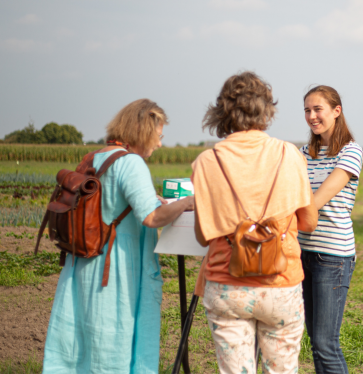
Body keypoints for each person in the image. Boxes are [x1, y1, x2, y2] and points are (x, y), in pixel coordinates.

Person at [42, 99, 194, 374]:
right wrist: (185, 203)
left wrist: (154, 200)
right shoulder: (131, 163)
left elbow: (113, 203)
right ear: (143, 130)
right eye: (158, 136)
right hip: (115, 268)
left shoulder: (95, 156)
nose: (159, 144)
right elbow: (151, 218)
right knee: (112, 338)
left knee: (82, 339)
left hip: (85, 260)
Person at [191, 72, 318, 374]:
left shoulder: (207, 161)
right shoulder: (290, 154)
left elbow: (201, 236)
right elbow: (309, 222)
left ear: (222, 111)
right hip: (281, 283)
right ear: (266, 109)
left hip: (227, 284)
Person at [298, 86, 363, 373]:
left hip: (333, 258)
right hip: (302, 253)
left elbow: (314, 202)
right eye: (307, 110)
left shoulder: (350, 152)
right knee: (314, 341)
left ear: (336, 111)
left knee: (326, 343)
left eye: (318, 109)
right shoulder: (304, 152)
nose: (312, 116)